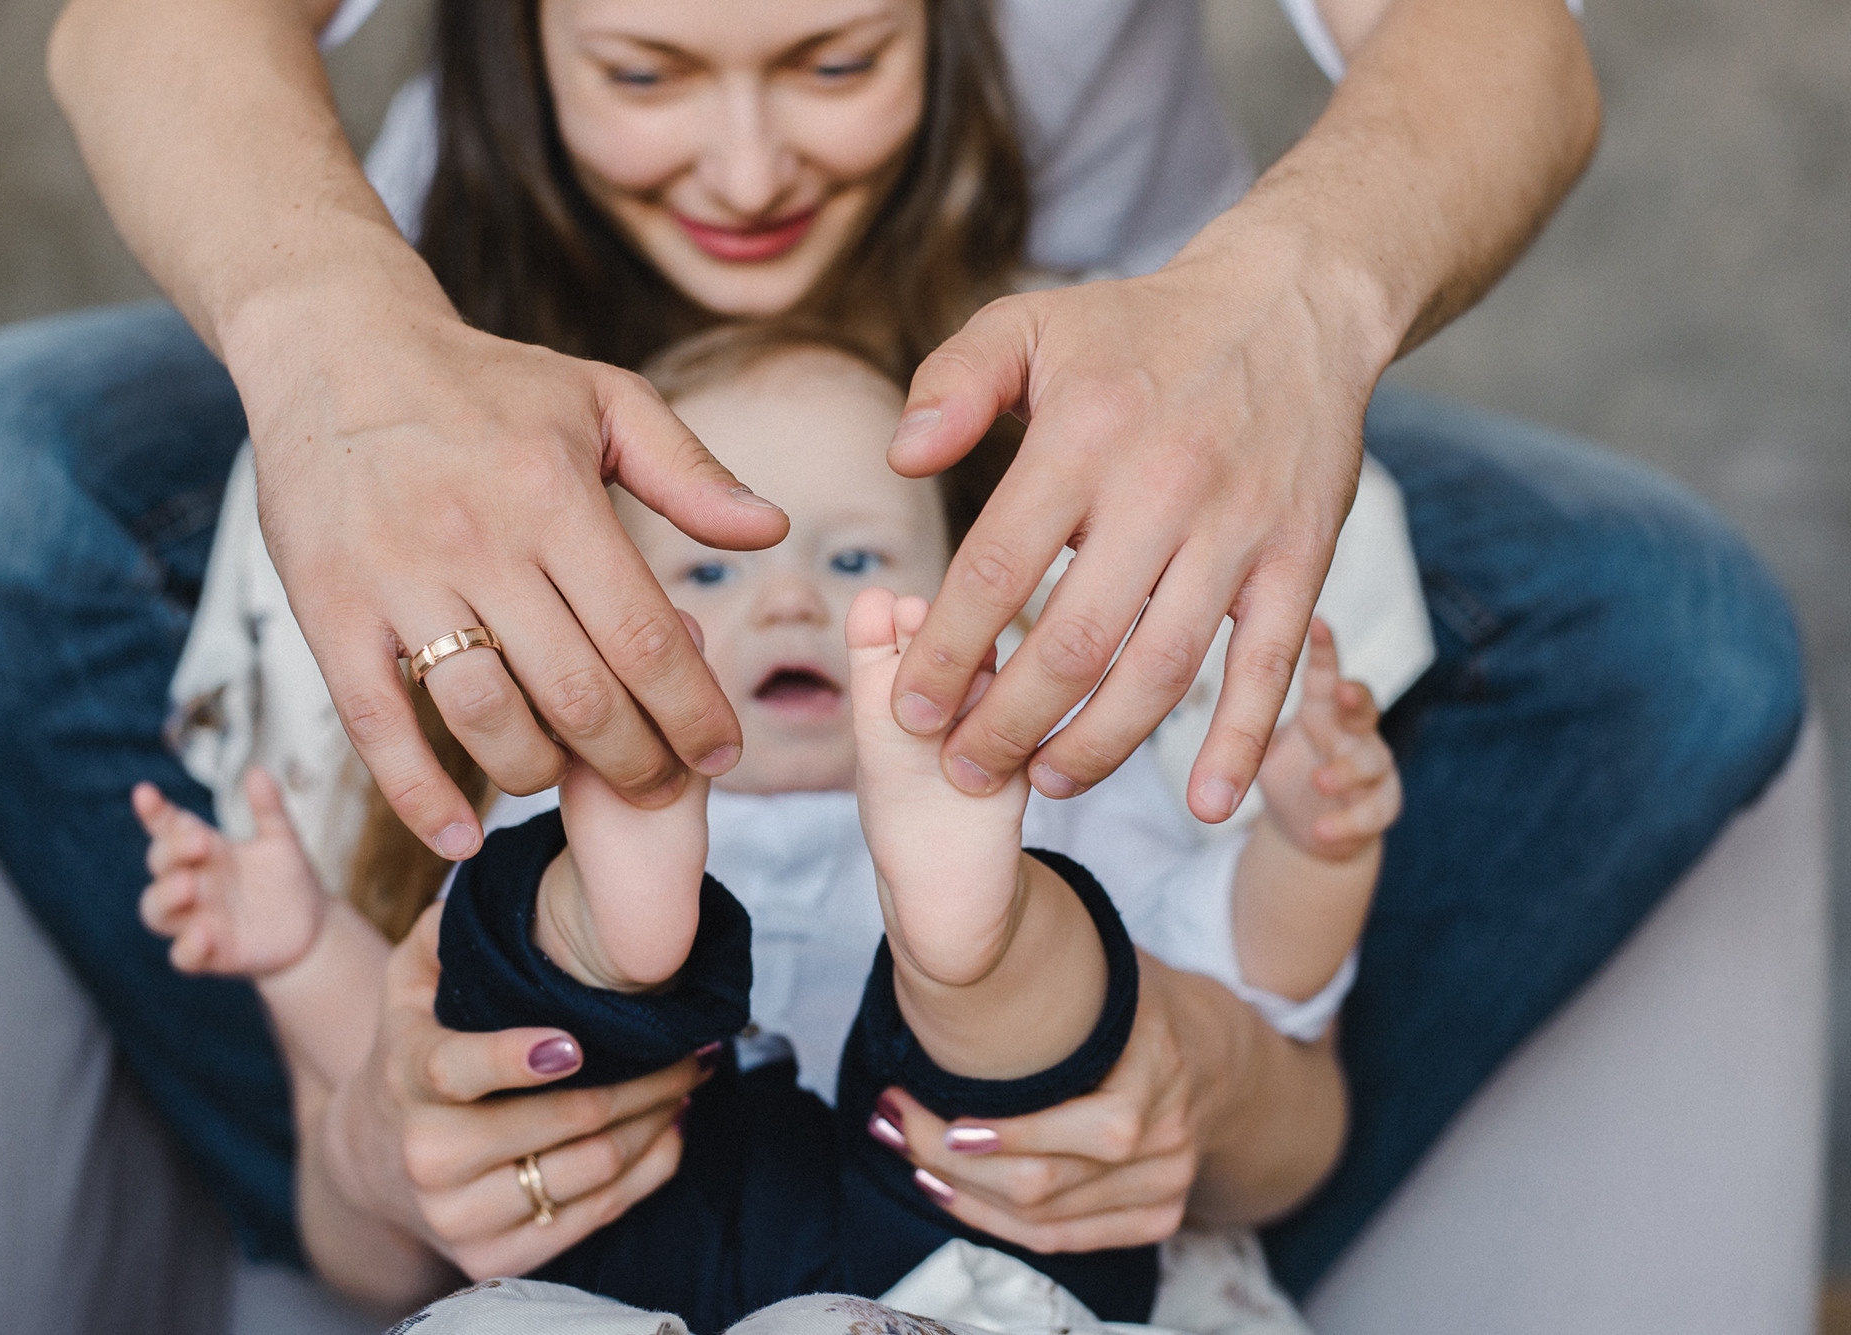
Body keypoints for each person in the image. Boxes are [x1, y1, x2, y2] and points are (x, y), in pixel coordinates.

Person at [0, 0, 1800, 1306]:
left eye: (836, 56)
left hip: (1104, 372)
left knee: (1675, 639)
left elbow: (1505, 50)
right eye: (643, 69)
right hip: (475, 338)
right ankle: (469, 1164)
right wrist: (330, 350)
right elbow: (143, 28)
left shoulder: (1009, 611)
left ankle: (1057, 1158)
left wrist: (1293, 311)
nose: (746, 168)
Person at [135, 330, 1396, 1329]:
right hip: (625, 1214)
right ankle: (630, 924)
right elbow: (417, 1070)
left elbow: (1233, 970)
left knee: (1064, 981)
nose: (789, 598)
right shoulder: (535, 789)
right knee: (521, 972)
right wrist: (303, 948)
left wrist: (1308, 850)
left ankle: (974, 945)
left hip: (960, 1221)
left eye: (855, 564)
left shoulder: (1039, 769)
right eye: (708, 572)